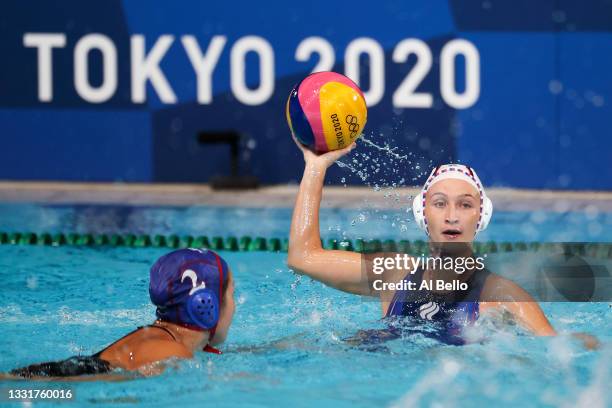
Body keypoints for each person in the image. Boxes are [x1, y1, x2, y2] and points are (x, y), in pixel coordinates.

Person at [287, 138, 598, 348]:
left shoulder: (502, 295)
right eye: (440, 203)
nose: (452, 216)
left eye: (465, 205)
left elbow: (559, 349)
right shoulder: (394, 274)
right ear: (423, 214)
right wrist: (315, 167)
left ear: (481, 216)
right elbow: (303, 257)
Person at [6, 248, 235, 380]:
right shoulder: (169, 351)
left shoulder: (164, 340)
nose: (234, 305)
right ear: (205, 304)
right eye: (232, 295)